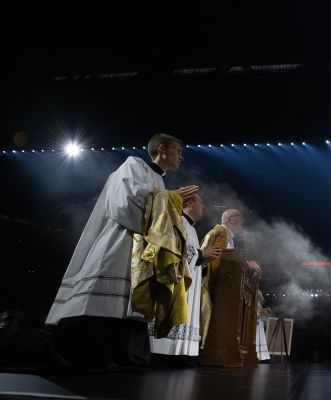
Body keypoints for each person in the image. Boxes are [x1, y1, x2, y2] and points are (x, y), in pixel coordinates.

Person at [46, 133, 198, 370]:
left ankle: (120, 356)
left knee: (129, 308)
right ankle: (84, 354)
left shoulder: (159, 182)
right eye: (178, 151)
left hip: (141, 252)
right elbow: (125, 203)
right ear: (162, 149)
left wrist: (169, 200)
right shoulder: (132, 165)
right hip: (120, 244)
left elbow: (158, 215)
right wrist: (171, 199)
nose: (181, 157)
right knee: (107, 304)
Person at [148, 193, 221, 361]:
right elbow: (171, 248)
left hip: (188, 282)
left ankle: (181, 354)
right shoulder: (176, 220)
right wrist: (201, 253)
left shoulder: (192, 229)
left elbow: (191, 259)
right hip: (173, 280)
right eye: (201, 203)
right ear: (189, 203)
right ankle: (163, 354)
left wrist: (203, 259)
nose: (203, 207)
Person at [199, 209, 261, 349]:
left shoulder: (227, 235)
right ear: (230, 219)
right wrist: (246, 264)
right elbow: (219, 260)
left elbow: (227, 259)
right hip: (214, 287)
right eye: (240, 217)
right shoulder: (221, 232)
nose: (243, 221)